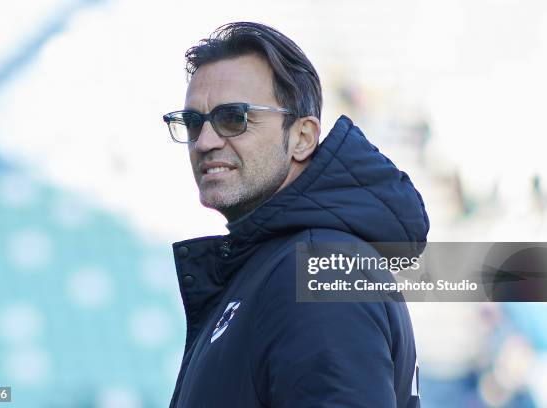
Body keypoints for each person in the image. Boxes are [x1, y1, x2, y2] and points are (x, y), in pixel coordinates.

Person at [163, 21, 429, 407]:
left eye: (233, 118)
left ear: (302, 137)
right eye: (192, 123)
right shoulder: (281, 262)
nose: (205, 141)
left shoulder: (320, 267)